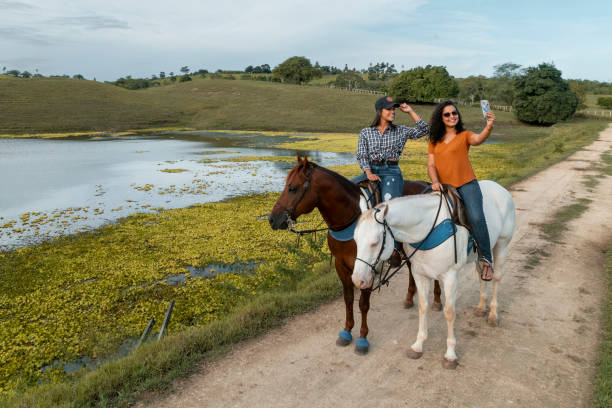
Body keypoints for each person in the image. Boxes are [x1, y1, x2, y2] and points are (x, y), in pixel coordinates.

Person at [355, 95, 430, 265]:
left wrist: (410, 111)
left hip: (391, 171)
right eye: (389, 109)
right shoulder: (366, 132)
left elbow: (424, 129)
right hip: (370, 170)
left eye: (394, 109)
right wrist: (367, 172)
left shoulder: (400, 130)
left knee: (388, 207)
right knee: (348, 189)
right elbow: (361, 154)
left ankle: (394, 249)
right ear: (379, 111)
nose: (393, 112)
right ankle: (358, 240)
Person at [426, 100, 496, 280]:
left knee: (476, 217)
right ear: (441, 118)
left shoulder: (465, 135)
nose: (451, 117)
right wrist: (435, 182)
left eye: (454, 113)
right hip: (444, 186)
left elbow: (478, 139)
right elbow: (431, 166)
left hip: (466, 183)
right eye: (447, 114)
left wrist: (488, 126)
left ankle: (486, 259)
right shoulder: (434, 140)